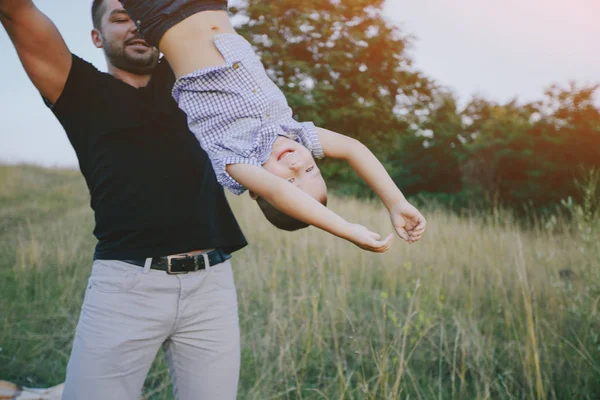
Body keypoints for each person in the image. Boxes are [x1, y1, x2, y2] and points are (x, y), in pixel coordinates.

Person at [1, 0, 248, 399]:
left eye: (141, 17)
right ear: (97, 36)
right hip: (127, 285)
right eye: (120, 19)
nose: (135, 26)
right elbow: (15, 11)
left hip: (212, 285)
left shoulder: (192, 81)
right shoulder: (77, 89)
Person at [118, 0, 427, 250]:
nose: (296, 165)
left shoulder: (234, 160)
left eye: (291, 182)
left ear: (257, 189)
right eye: (309, 170)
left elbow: (278, 192)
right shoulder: (292, 131)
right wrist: (396, 202)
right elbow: (353, 149)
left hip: (162, 9)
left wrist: (346, 229)